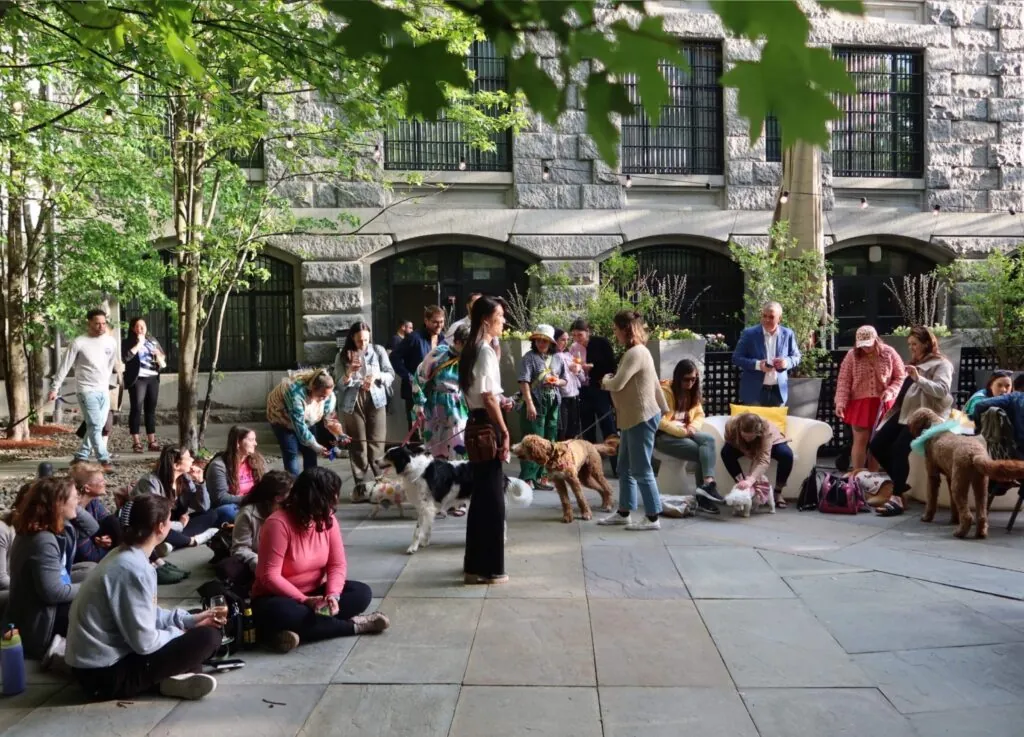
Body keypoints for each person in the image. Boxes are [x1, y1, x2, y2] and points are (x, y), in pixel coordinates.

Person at [65, 494, 223, 701]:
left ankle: (171, 679)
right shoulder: (135, 569)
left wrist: (189, 620)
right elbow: (145, 643)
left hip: (97, 663)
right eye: (169, 521)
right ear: (160, 527)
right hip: (103, 676)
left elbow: (142, 611)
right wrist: (179, 632)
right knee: (209, 637)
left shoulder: (123, 554)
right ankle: (164, 678)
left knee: (195, 620)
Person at [251, 468, 389, 652]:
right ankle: (353, 626)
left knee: (361, 593)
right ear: (315, 498)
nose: (336, 502)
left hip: (316, 593)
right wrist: (304, 600)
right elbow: (268, 576)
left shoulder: (327, 519)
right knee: (284, 613)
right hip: (279, 598)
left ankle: (287, 633)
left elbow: (337, 564)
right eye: (331, 497)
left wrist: (333, 595)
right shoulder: (278, 524)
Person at [870, 326, 954, 517]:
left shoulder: (942, 364)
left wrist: (918, 379)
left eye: (915, 344)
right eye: (909, 344)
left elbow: (942, 390)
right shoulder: (917, 362)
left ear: (927, 343)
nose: (911, 348)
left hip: (924, 416)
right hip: (904, 413)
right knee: (876, 444)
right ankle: (901, 484)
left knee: (899, 449)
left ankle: (897, 496)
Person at [597, 311, 669, 531]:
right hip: (633, 417)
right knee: (624, 466)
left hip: (640, 417)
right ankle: (624, 512)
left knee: (640, 468)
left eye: (616, 328)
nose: (614, 332)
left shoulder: (635, 353)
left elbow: (617, 383)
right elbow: (655, 383)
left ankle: (653, 516)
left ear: (625, 329)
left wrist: (605, 380)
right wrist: (664, 408)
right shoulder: (639, 352)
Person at [458, 296, 512, 584]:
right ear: (485, 320)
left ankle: (475, 565)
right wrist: (504, 430)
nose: (503, 320)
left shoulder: (472, 350)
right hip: (486, 426)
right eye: (500, 315)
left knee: (481, 496)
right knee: (491, 499)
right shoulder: (483, 351)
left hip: (475, 424)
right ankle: (489, 567)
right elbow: (489, 396)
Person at [5, 476, 81, 663]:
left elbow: (91, 527)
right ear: (58, 504)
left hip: (41, 611)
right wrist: (92, 586)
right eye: (74, 497)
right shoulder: (42, 540)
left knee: (91, 571)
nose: (79, 500)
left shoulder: (41, 531)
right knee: (95, 600)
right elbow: (53, 593)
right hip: (41, 626)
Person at [413, 323, 472, 515]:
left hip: (458, 408)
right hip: (435, 407)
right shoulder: (440, 353)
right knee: (434, 452)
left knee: (459, 450)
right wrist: (419, 403)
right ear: (458, 341)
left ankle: (458, 500)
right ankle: (435, 499)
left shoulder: (469, 359)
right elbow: (419, 376)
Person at [48, 308, 118, 469]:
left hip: (103, 390)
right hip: (86, 390)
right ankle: (104, 459)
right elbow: (64, 367)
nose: (101, 326)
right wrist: (55, 388)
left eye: (103, 323)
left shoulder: (111, 342)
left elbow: (110, 364)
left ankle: (81, 456)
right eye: (97, 324)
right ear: (89, 323)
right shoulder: (79, 342)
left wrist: (106, 382)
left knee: (97, 425)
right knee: (94, 424)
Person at [334, 322, 395, 503]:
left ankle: (380, 484)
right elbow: (338, 384)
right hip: (352, 403)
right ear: (352, 338)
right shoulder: (342, 355)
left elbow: (390, 374)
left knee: (377, 442)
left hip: (376, 399)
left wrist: (376, 377)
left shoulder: (378, 350)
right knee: (358, 445)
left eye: (366, 340)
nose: (363, 344)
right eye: (360, 340)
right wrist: (350, 374)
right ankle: (360, 486)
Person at [834, 326, 907, 471]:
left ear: (876, 340)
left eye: (869, 344)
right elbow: (844, 380)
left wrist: (891, 391)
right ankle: (857, 476)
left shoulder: (889, 353)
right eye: (862, 345)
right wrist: (841, 402)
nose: (866, 348)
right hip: (860, 404)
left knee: (877, 442)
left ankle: (872, 477)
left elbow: (900, 376)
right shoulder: (851, 355)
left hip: (884, 403)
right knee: (860, 441)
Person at [655, 359, 724, 508]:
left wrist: (692, 427)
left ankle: (708, 483)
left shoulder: (693, 392)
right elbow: (658, 420)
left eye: (694, 379)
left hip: (687, 431)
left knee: (709, 440)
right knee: (703, 453)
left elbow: (700, 414)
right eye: (686, 379)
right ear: (678, 377)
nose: (690, 383)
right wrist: (681, 431)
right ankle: (704, 497)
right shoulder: (665, 392)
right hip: (664, 436)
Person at [132, 446, 227, 551]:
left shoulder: (184, 478)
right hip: (156, 525)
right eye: (188, 457)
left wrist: (200, 482)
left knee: (211, 514)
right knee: (157, 530)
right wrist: (180, 525)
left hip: (174, 524)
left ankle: (172, 543)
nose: (192, 460)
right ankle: (192, 541)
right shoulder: (151, 482)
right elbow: (153, 519)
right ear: (176, 465)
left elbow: (203, 507)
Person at [517, 324, 568, 491]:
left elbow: (564, 380)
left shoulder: (558, 358)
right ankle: (528, 477)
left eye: (545, 340)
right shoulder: (529, 357)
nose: (541, 343)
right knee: (533, 440)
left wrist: (556, 381)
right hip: (535, 401)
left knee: (549, 439)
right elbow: (524, 382)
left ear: (551, 342)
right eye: (538, 340)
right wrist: (530, 404)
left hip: (553, 402)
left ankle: (542, 475)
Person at [266, 368, 342, 476]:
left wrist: (339, 435)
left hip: (308, 419)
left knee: (310, 453)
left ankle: (311, 485)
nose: (324, 399)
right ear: (313, 388)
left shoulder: (328, 395)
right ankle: (293, 486)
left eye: (327, 396)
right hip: (282, 419)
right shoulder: (295, 394)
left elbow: (330, 419)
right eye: (322, 396)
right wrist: (316, 445)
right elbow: (299, 425)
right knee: (291, 453)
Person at [228, 470, 295, 581]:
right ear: (278, 497)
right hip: (262, 565)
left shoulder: (290, 510)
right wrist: (257, 562)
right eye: (290, 492)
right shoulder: (248, 514)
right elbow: (240, 548)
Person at [732, 301, 802, 407]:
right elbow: (736, 358)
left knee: (776, 424)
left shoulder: (787, 334)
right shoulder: (749, 334)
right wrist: (757, 365)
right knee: (755, 424)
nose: (766, 320)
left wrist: (786, 363)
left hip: (778, 392)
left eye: (771, 317)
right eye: (764, 316)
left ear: (779, 318)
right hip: (754, 392)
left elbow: (796, 357)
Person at [569, 318, 618, 465]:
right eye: (575, 335)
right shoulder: (574, 348)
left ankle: (617, 464)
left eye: (580, 335)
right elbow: (572, 364)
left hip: (600, 388)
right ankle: (591, 464)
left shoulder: (600, 343)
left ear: (588, 332)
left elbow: (610, 364)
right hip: (583, 389)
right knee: (587, 426)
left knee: (607, 425)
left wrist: (592, 367)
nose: (578, 338)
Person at [722, 412, 794, 507]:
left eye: (750, 436)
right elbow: (729, 441)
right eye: (745, 436)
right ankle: (743, 487)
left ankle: (778, 492)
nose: (748, 439)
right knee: (726, 452)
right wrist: (746, 451)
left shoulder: (766, 429)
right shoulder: (731, 425)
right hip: (740, 444)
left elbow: (764, 459)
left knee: (786, 454)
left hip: (772, 442)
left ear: (758, 433)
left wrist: (751, 479)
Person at [393, 305, 446, 431]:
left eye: (442, 322)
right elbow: (394, 357)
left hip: (437, 391)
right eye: (435, 322)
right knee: (417, 431)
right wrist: (409, 377)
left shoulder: (443, 339)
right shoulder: (414, 338)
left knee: (437, 430)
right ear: (426, 321)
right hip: (416, 392)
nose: (439, 325)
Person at [122, 317, 166, 453]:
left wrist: (159, 355)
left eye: (143, 326)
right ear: (132, 328)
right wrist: (139, 344)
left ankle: (151, 441)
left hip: (152, 378)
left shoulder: (152, 340)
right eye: (138, 326)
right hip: (138, 379)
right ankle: (136, 442)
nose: (141, 329)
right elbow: (126, 357)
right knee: (136, 409)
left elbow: (163, 357)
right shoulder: (128, 342)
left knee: (150, 410)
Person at [204, 425, 267, 518]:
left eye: (255, 439)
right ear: (238, 442)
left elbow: (268, 483)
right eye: (251, 440)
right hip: (234, 507)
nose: (255, 443)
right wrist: (251, 498)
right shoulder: (219, 466)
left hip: (253, 504)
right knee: (228, 511)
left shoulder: (258, 461)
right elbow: (221, 498)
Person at [69, 463, 122, 563]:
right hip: (82, 562)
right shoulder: (73, 515)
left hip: (96, 549)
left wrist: (107, 538)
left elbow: (109, 523)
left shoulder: (93, 502)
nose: (105, 482)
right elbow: (88, 556)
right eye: (101, 481)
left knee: (114, 520)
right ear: (87, 488)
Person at [554, 328, 583, 440]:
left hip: (575, 396)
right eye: (562, 339)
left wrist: (578, 370)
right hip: (563, 398)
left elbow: (582, 378)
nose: (565, 342)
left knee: (574, 429)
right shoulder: (553, 356)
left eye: (567, 339)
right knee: (563, 430)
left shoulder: (569, 355)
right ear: (555, 340)